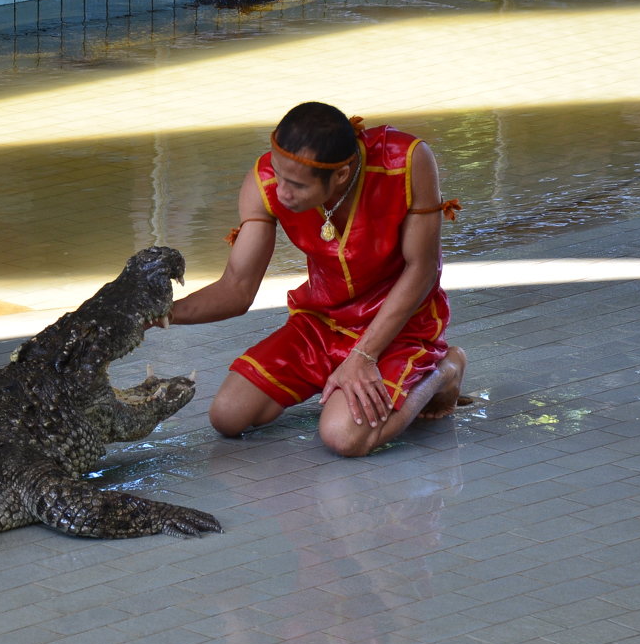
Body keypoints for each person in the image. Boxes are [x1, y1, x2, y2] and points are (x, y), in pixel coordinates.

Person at [159, 102, 466, 457]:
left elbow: (423, 269)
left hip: (401, 326)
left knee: (343, 438)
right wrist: (162, 313)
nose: (281, 190)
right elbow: (237, 288)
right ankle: (340, 377)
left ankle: (444, 369)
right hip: (323, 322)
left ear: (340, 175)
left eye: (296, 185)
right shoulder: (265, 181)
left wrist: (365, 354)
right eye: (278, 174)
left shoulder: (407, 160)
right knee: (227, 415)